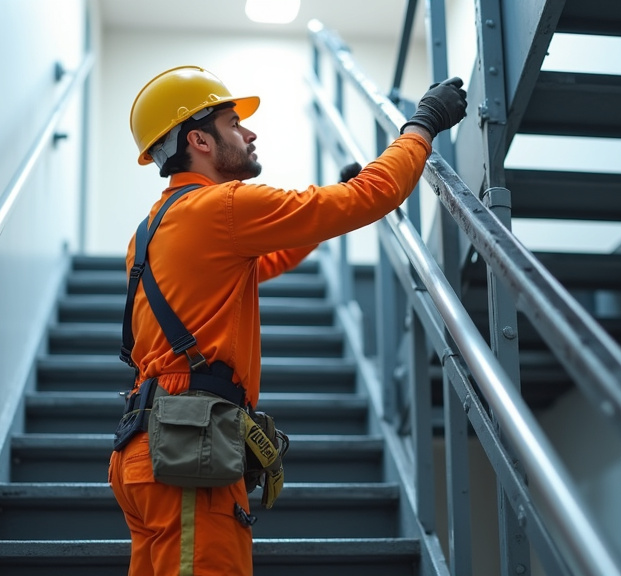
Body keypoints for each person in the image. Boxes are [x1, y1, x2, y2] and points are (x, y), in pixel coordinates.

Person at [108, 64, 467, 576]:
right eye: (234, 122)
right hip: (187, 450)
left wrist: (313, 226)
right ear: (199, 140)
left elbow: (261, 263)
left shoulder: (151, 229)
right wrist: (422, 126)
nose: (249, 132)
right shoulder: (223, 207)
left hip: (148, 450)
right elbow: (369, 198)